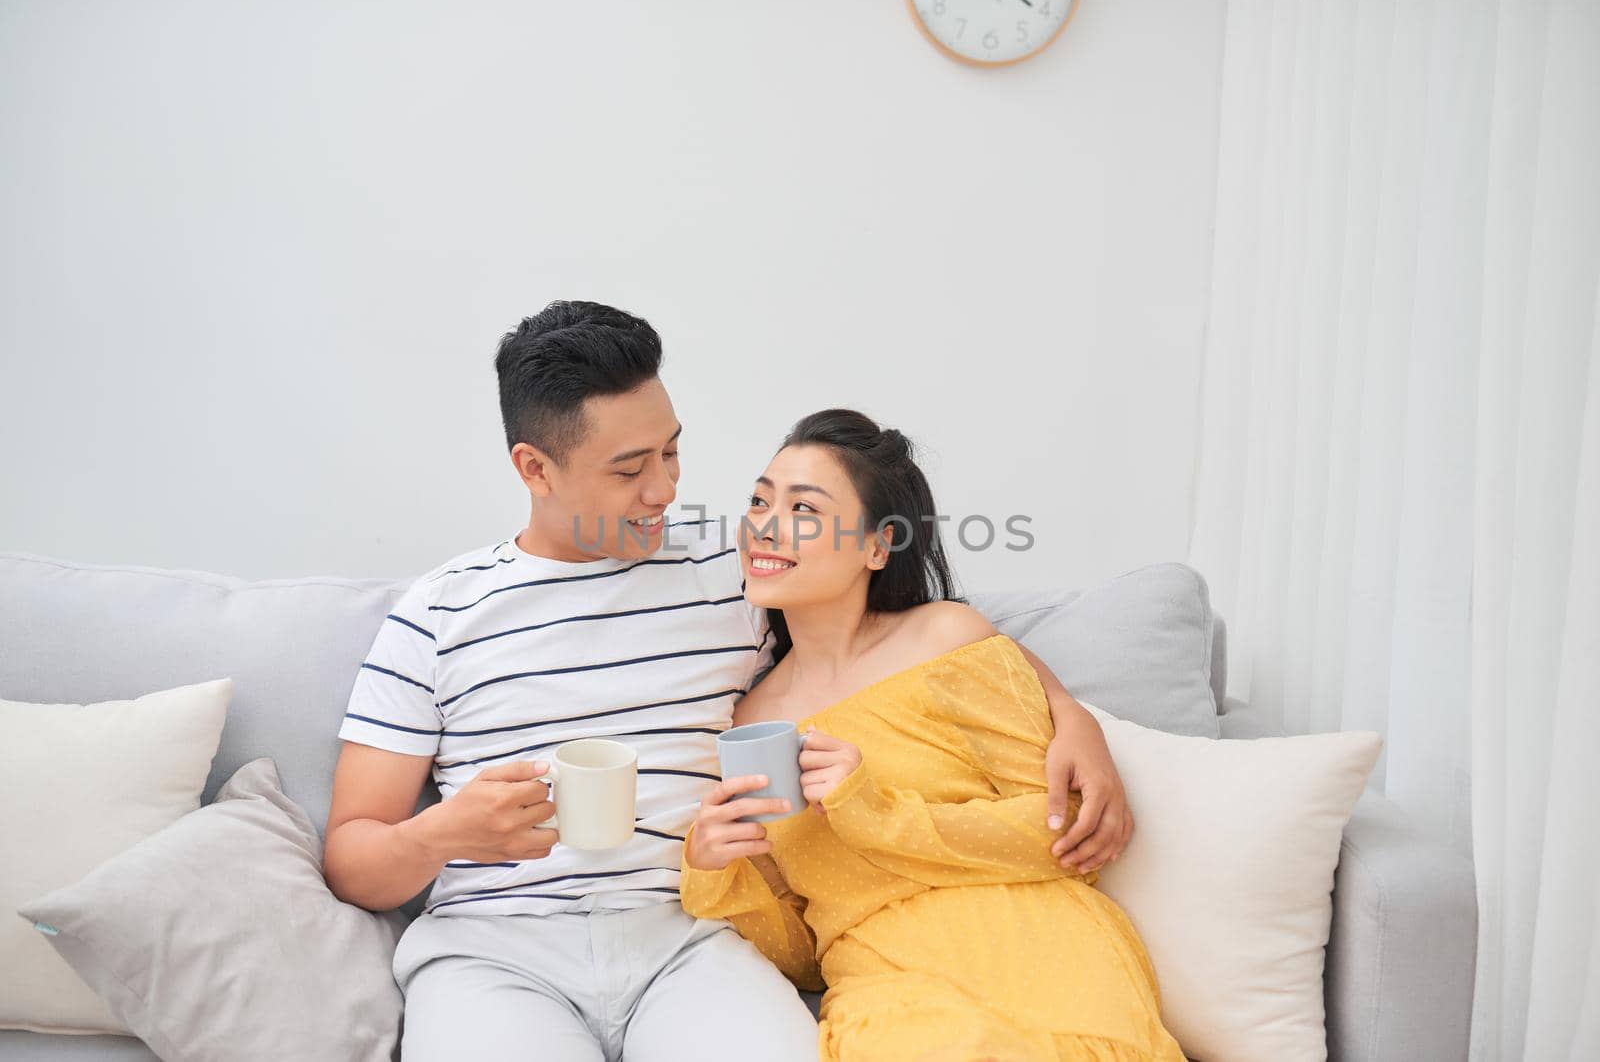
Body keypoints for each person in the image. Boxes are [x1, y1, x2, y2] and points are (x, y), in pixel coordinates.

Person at [321, 301, 1135, 1061]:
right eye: (630, 467)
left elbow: (911, 638)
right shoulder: (436, 615)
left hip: (692, 936)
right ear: (535, 467)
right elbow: (351, 859)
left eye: (672, 450)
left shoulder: (734, 575)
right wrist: (443, 835)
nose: (666, 490)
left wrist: (1072, 718)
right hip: (495, 948)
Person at [681, 408, 1186, 1061]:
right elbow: (805, 956)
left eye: (805, 510)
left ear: (877, 544)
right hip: (886, 996)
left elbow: (1063, 838)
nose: (766, 528)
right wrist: (720, 871)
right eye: (758, 501)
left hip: (1040, 955)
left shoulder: (946, 638)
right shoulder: (751, 723)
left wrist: (877, 813)